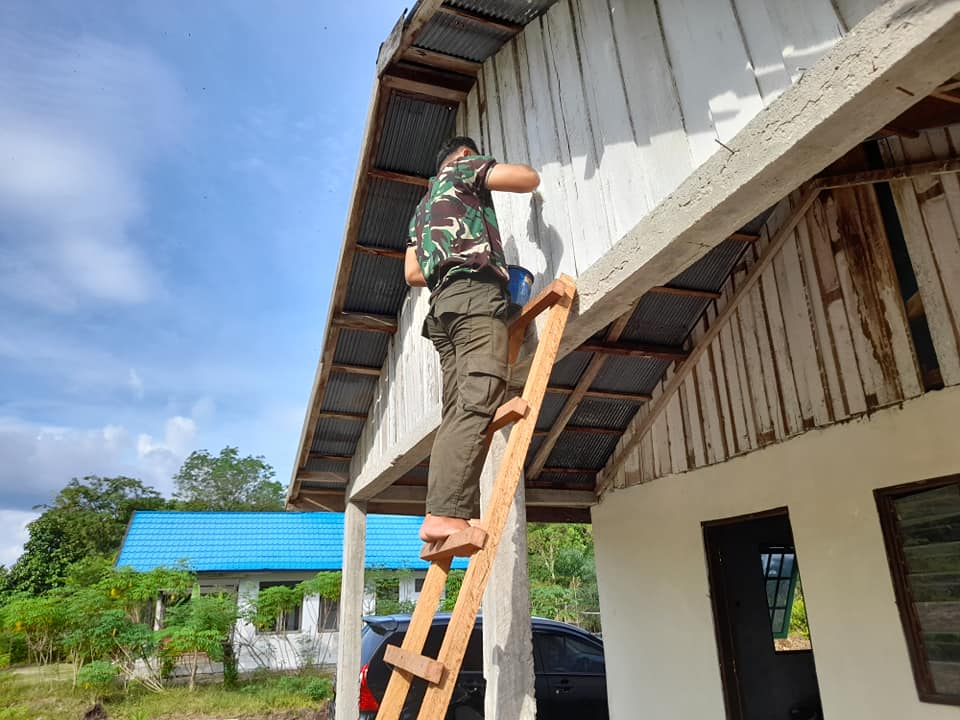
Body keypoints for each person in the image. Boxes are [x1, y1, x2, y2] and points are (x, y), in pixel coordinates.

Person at [405, 136, 540, 543]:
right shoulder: (463, 169)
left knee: (460, 410)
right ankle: (444, 515)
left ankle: (445, 514)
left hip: (442, 310)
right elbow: (527, 178)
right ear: (465, 155)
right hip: (475, 297)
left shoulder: (422, 209)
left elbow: (413, 273)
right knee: (481, 396)